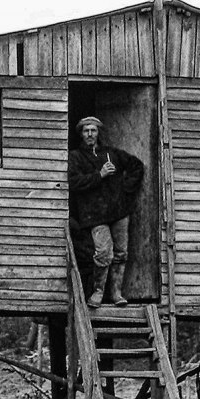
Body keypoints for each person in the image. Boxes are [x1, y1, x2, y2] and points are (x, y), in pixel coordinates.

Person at [68, 116, 144, 308]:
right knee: (103, 252)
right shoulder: (76, 157)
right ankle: (98, 291)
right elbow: (74, 183)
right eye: (86, 131)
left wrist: (125, 191)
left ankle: (116, 293)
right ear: (81, 134)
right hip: (94, 215)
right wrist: (99, 175)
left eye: (93, 130)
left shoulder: (112, 154)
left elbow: (137, 166)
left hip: (118, 212)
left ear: (98, 133)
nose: (90, 134)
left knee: (121, 253)